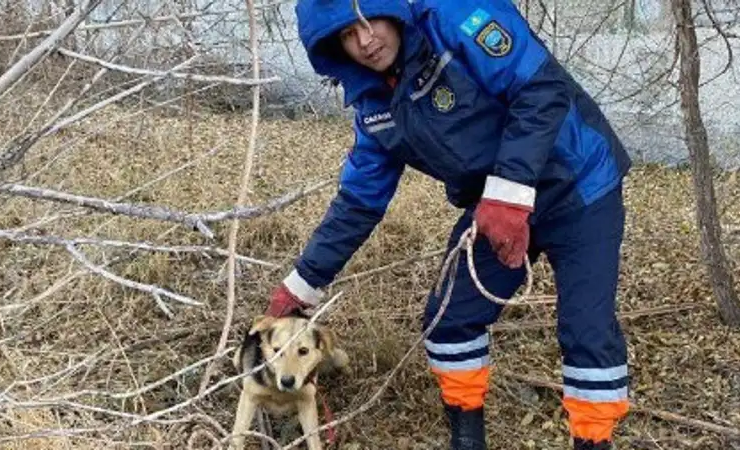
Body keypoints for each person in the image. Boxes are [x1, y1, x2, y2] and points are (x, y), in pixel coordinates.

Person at [264, 0, 632, 448]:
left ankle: (593, 442)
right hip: (494, 207)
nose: (365, 41)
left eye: (368, 20)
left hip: (579, 184)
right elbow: (359, 201)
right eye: (346, 34)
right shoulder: (375, 104)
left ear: (392, 8)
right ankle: (467, 439)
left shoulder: (458, 15)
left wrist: (509, 193)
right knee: (449, 321)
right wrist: (301, 286)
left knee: (586, 332)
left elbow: (541, 90)